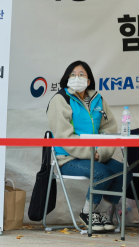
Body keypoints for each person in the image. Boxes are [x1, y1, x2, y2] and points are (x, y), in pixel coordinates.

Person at [46, 60, 130, 232]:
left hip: (96, 155)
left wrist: (101, 153)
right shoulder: (60, 100)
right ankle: (87, 213)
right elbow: (64, 136)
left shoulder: (98, 99)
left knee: (125, 172)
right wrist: (90, 153)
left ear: (89, 80)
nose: (77, 78)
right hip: (68, 158)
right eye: (73, 75)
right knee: (101, 173)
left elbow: (108, 128)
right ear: (67, 79)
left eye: (82, 75)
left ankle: (105, 212)